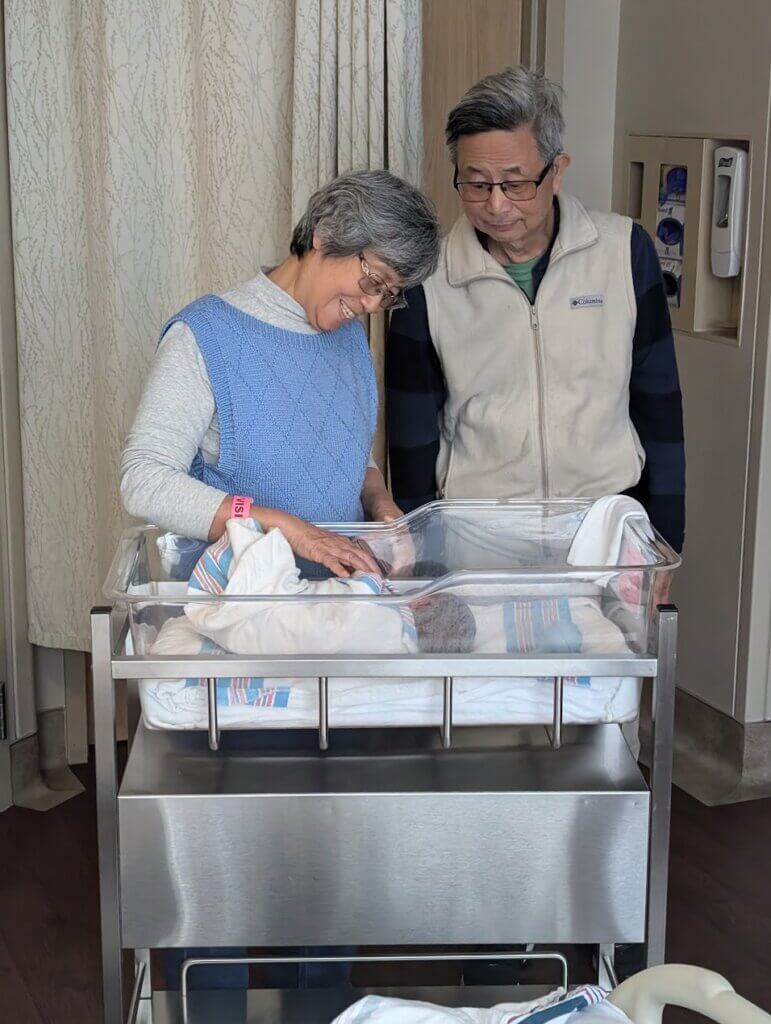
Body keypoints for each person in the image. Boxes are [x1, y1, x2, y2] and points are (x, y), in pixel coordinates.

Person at [121, 168, 440, 990]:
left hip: (330, 635)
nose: (371, 305)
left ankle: (320, 1002)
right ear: (324, 236)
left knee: (326, 861)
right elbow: (144, 478)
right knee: (225, 869)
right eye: (370, 281)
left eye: (389, 295)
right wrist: (275, 522)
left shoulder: (344, 337)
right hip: (237, 640)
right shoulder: (207, 337)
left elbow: (347, 453)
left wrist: (379, 503)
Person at [386, 66, 685, 568]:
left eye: (515, 183)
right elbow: (412, 436)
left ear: (556, 170)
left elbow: (659, 404)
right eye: (476, 184)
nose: (496, 204)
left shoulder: (623, 252)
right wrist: (421, 561)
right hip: (478, 542)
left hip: (608, 534)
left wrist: (665, 540)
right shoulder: (428, 280)